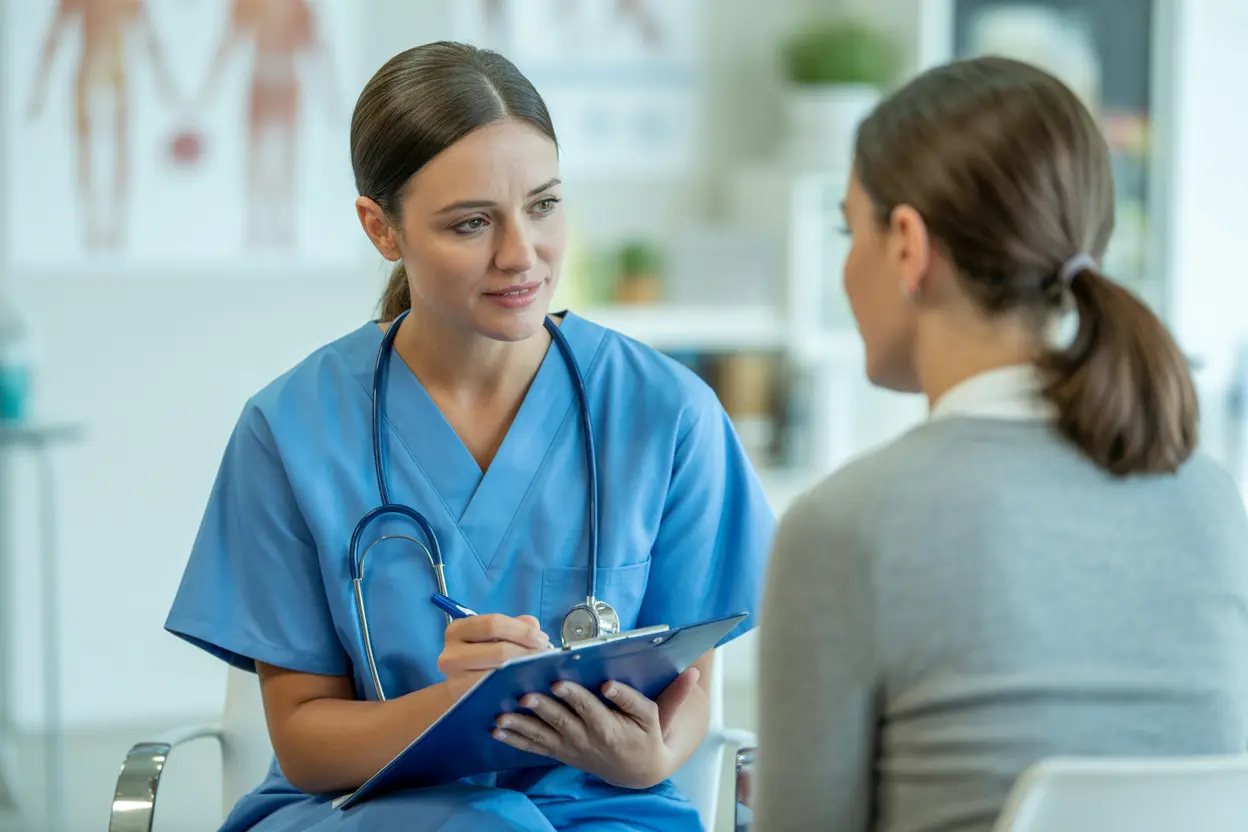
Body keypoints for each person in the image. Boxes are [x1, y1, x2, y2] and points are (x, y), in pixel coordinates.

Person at [164, 41, 774, 831]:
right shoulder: (291, 430)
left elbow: (687, 686)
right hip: (365, 807)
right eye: (472, 223)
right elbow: (308, 741)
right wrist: (457, 708)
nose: (522, 255)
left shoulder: (665, 414)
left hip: (601, 807)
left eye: (544, 206)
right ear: (382, 230)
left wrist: (653, 759)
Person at [754, 55, 1248, 831]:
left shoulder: (848, 527)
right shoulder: (1209, 498)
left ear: (909, 246)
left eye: (853, 232)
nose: (846, 268)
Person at [26, 0, 177, 250]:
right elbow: (55, 35)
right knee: (90, 149)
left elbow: (150, 35)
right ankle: (93, 224)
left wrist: (164, 81)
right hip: (95, 67)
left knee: (116, 149)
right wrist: (39, 88)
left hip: (112, 69)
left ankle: (115, 227)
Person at [195, 0, 339, 247]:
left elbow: (316, 49)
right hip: (262, 82)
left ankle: (284, 223)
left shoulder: (299, 6)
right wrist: (209, 90)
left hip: (285, 83)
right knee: (257, 154)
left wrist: (330, 97)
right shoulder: (249, 5)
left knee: (285, 154)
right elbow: (229, 41)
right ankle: (256, 223)